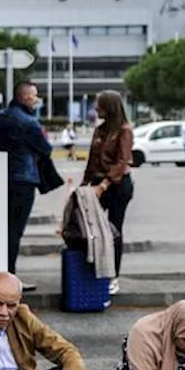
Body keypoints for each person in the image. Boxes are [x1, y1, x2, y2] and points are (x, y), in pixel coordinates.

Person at [0, 81, 53, 292]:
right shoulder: (29, 122)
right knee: (15, 231)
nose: (37, 99)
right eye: (34, 95)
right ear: (24, 97)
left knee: (3, 230)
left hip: (0, 179)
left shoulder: (0, 119)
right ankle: (10, 278)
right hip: (24, 179)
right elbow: (46, 148)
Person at [81, 90, 134, 295]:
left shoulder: (124, 130)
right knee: (89, 228)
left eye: (99, 105)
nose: (96, 109)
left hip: (117, 185)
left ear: (109, 108)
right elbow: (91, 160)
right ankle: (94, 270)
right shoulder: (101, 130)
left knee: (114, 230)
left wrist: (104, 184)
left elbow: (122, 162)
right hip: (96, 185)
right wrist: (84, 184)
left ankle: (113, 276)